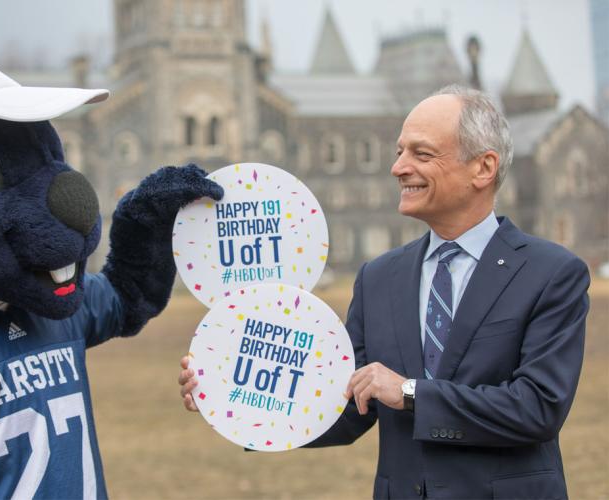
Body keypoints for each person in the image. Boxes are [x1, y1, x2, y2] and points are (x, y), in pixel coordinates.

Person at [178, 85, 590, 499]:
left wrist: (410, 393)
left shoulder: (551, 273)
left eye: (421, 154)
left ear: (483, 168)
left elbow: (536, 408)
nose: (398, 168)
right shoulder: (379, 278)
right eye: (399, 152)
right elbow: (343, 406)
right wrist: (236, 404)